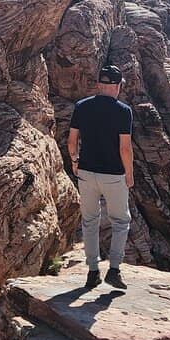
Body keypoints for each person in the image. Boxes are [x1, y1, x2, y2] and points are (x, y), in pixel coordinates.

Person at [67, 63, 133, 291]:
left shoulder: (81, 106)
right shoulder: (123, 111)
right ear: (117, 86)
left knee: (90, 222)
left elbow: (71, 140)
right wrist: (129, 175)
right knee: (121, 222)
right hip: (114, 175)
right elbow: (125, 148)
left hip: (85, 172)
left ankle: (93, 271)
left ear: (98, 85)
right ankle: (114, 270)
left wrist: (75, 162)